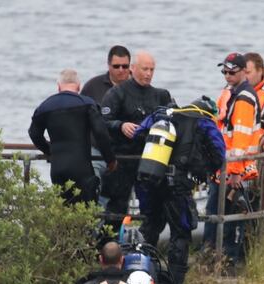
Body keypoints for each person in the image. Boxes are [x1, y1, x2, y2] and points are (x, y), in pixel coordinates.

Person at [133, 97, 225, 284]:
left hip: (151, 180)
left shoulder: (163, 115)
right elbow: (219, 151)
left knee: (150, 228)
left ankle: (142, 279)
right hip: (178, 185)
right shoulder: (203, 121)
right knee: (181, 232)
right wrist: (204, 170)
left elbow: (138, 134)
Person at [100, 52, 173, 232]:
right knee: (117, 208)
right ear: (133, 69)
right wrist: (121, 125)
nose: (148, 73)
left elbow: (174, 121)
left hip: (150, 160)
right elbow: (102, 122)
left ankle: (145, 246)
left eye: (151, 69)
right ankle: (106, 248)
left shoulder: (160, 96)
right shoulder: (117, 93)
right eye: (144, 69)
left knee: (154, 208)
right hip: (122, 159)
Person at [28, 69, 116, 205]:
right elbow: (101, 133)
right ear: (79, 86)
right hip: (81, 168)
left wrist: (49, 150)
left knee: (63, 210)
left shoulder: (45, 106)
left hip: (57, 168)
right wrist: (110, 159)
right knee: (85, 211)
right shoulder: (87, 103)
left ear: (58, 86)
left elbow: (34, 134)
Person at [203, 53, 258, 264]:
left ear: (244, 71)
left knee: (228, 217)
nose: (227, 76)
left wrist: (235, 173)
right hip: (226, 168)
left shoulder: (243, 98)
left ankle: (224, 260)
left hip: (234, 171)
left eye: (232, 72)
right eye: (224, 72)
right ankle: (216, 257)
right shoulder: (233, 94)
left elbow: (241, 139)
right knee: (219, 215)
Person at [81, 46, 131, 194]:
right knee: (93, 189)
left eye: (125, 66)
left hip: (127, 153)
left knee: (123, 197)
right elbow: (81, 117)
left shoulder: (137, 87)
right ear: (108, 65)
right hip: (98, 150)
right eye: (116, 66)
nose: (121, 70)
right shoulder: (92, 86)